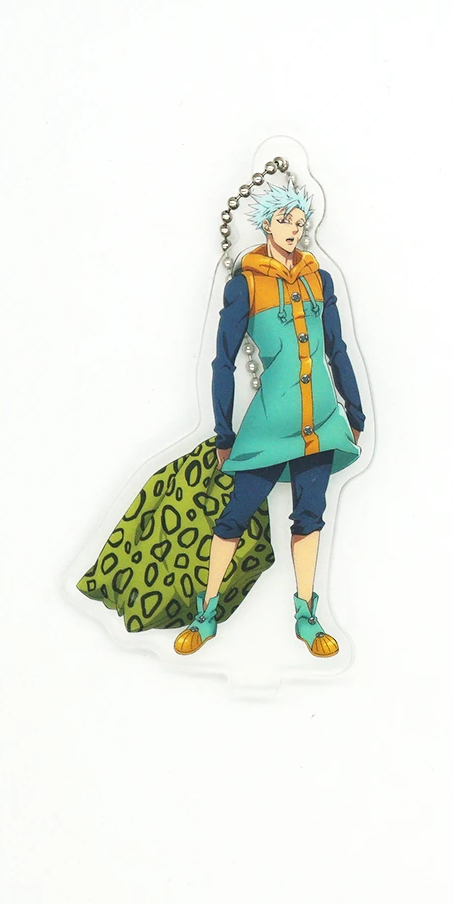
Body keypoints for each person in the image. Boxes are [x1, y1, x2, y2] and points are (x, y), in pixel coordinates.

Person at [172, 178, 365, 657]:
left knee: (311, 516)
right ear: (266, 224)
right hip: (269, 425)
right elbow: (223, 361)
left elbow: (337, 349)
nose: (294, 229)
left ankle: (307, 615)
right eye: (284, 220)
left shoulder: (320, 279)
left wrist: (355, 409)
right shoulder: (245, 284)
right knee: (235, 515)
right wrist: (224, 431)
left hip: (322, 421)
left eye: (300, 221)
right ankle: (206, 610)